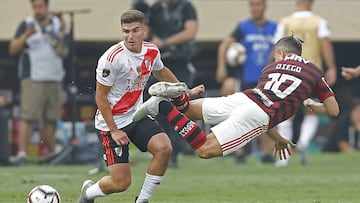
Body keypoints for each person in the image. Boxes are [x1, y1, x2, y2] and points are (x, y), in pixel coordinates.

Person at [133, 35, 339, 163]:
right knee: (204, 150)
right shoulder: (313, 71)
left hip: (244, 98)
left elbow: (264, 103)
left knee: (187, 110)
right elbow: (333, 110)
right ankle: (162, 106)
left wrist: (278, 139)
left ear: (281, 53)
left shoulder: (271, 68)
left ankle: (177, 96)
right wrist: (314, 105)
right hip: (257, 114)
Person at [77, 10, 203, 203]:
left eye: (135, 30)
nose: (130, 36)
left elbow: (161, 72)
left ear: (144, 30)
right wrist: (114, 130)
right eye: (126, 31)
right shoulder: (111, 59)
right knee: (121, 183)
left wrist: (185, 91)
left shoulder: (152, 51)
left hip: (136, 115)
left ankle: (142, 200)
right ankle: (88, 193)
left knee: (164, 149)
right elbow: (100, 97)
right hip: (111, 124)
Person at [272, 0, 338, 166]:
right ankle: (303, 142)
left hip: (289, 72)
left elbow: (277, 46)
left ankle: (284, 158)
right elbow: (325, 44)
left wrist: (272, 67)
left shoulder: (285, 22)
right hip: (311, 72)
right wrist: (331, 67)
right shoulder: (319, 21)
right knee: (311, 111)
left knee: (286, 113)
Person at [216, 0, 277, 164]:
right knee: (240, 115)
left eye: (258, 4)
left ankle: (265, 153)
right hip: (246, 79)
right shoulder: (242, 27)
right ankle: (239, 152)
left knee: (266, 116)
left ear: (264, 6)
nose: (255, 8)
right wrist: (222, 68)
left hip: (266, 80)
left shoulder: (275, 28)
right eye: (252, 5)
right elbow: (224, 45)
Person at [8, 0, 68, 166]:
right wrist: (26, 35)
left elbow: (64, 43)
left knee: (50, 117)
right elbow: (13, 49)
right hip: (33, 77)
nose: (38, 10)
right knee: (28, 116)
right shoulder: (27, 24)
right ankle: (21, 154)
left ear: (47, 7)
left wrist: (62, 19)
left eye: (41, 6)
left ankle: (52, 154)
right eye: (35, 7)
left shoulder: (56, 23)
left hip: (54, 77)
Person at [146, 0, 198, 168]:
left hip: (180, 62)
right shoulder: (155, 9)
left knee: (178, 109)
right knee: (158, 108)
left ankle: (175, 153)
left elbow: (190, 32)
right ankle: (161, 150)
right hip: (160, 63)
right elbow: (148, 29)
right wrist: (151, 37)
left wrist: (166, 42)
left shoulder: (186, 7)